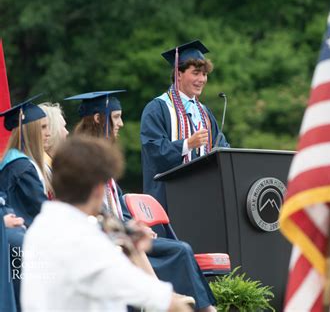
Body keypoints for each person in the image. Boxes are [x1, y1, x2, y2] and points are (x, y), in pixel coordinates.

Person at [66, 90, 216, 311]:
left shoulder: (99, 155)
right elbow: (95, 208)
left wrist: (135, 226)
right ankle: (170, 301)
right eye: (116, 117)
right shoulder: (83, 158)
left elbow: (116, 204)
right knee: (180, 250)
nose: (121, 123)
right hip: (104, 238)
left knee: (179, 249)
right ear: (98, 118)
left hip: (119, 233)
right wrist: (127, 230)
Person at [21, 135, 192, 312]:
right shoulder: (85, 240)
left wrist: (127, 244)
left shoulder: (40, 227)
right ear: (98, 190)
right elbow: (162, 302)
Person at [140, 40, 229, 210]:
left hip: (203, 198)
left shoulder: (205, 113)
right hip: (168, 201)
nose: (201, 79)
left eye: (204, 74)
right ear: (178, 74)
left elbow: (222, 148)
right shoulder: (157, 109)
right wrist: (188, 144)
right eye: (196, 73)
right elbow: (154, 153)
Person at [0, 96, 50, 310]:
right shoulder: (20, 167)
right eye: (43, 127)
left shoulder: (23, 163)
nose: (49, 132)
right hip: (21, 243)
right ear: (29, 132)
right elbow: (41, 212)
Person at [38, 102, 69, 198]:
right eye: (63, 127)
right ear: (51, 130)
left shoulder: (54, 165)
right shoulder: (39, 170)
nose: (67, 132)